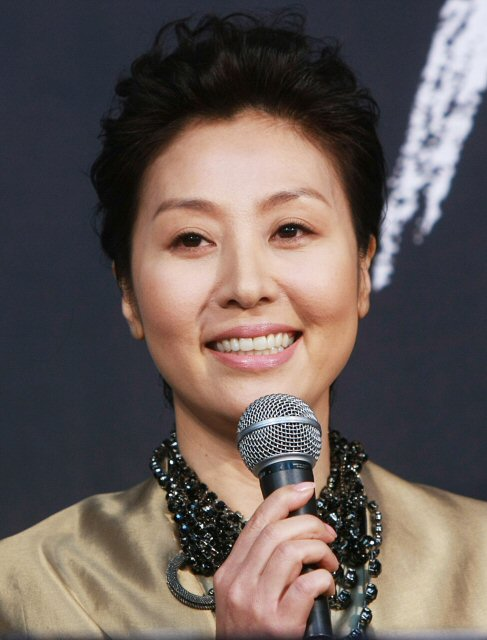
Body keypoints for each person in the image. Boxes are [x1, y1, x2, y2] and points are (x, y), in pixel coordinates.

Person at [1, 12, 486, 639]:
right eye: (192, 239)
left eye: (291, 229)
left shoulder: (476, 563)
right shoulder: (35, 591)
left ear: (363, 269)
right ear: (129, 293)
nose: (247, 285)